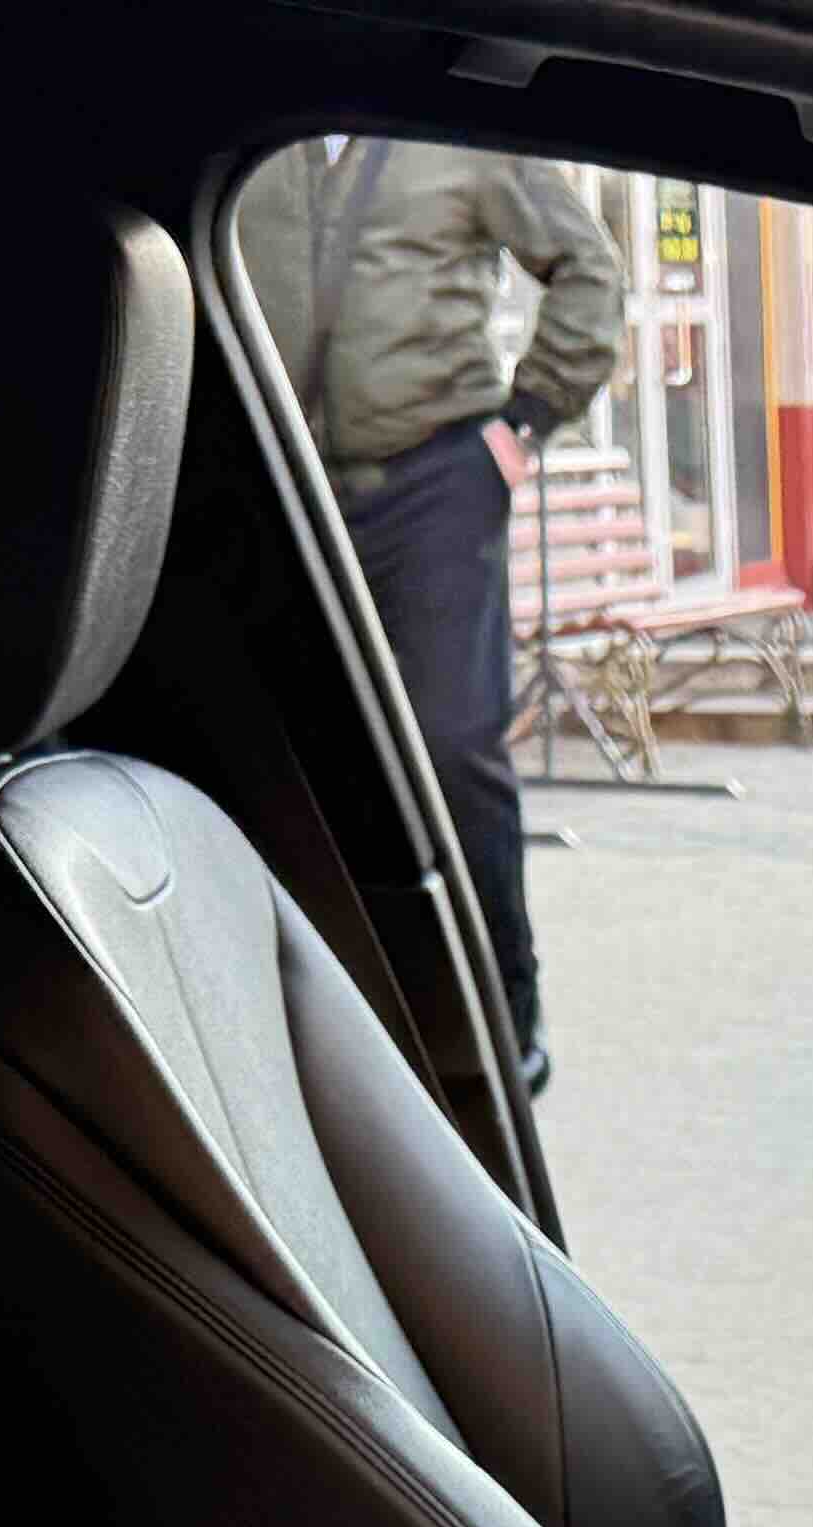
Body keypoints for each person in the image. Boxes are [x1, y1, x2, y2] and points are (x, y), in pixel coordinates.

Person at [240, 141, 626, 1092]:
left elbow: (588, 265)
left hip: (433, 481)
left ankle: (504, 1014)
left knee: (452, 747)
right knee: (292, 760)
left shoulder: (454, 136)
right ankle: (330, 1027)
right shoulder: (259, 131)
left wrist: (527, 419)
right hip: (280, 485)